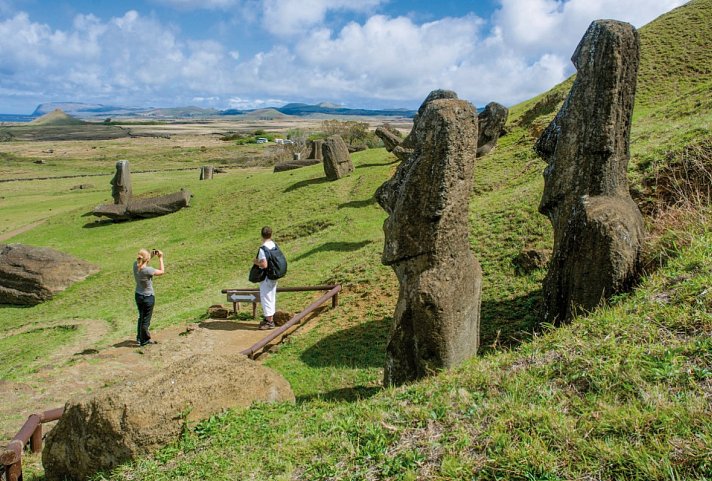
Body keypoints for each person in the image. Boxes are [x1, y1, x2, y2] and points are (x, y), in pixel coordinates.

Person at [133, 248, 165, 346]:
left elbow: (142, 261)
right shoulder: (148, 270)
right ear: (147, 260)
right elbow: (162, 271)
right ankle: (145, 340)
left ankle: (139, 337)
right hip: (148, 297)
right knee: (146, 321)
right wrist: (160, 258)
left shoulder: (135, 265)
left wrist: (151, 255)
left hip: (138, 295)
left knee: (141, 317)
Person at [254, 226, 277, 330]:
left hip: (267, 276)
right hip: (274, 274)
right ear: (271, 234)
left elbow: (264, 264)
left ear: (261, 235)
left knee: (266, 297)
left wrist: (255, 262)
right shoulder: (274, 245)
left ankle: (269, 321)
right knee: (271, 297)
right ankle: (270, 318)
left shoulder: (263, 248)